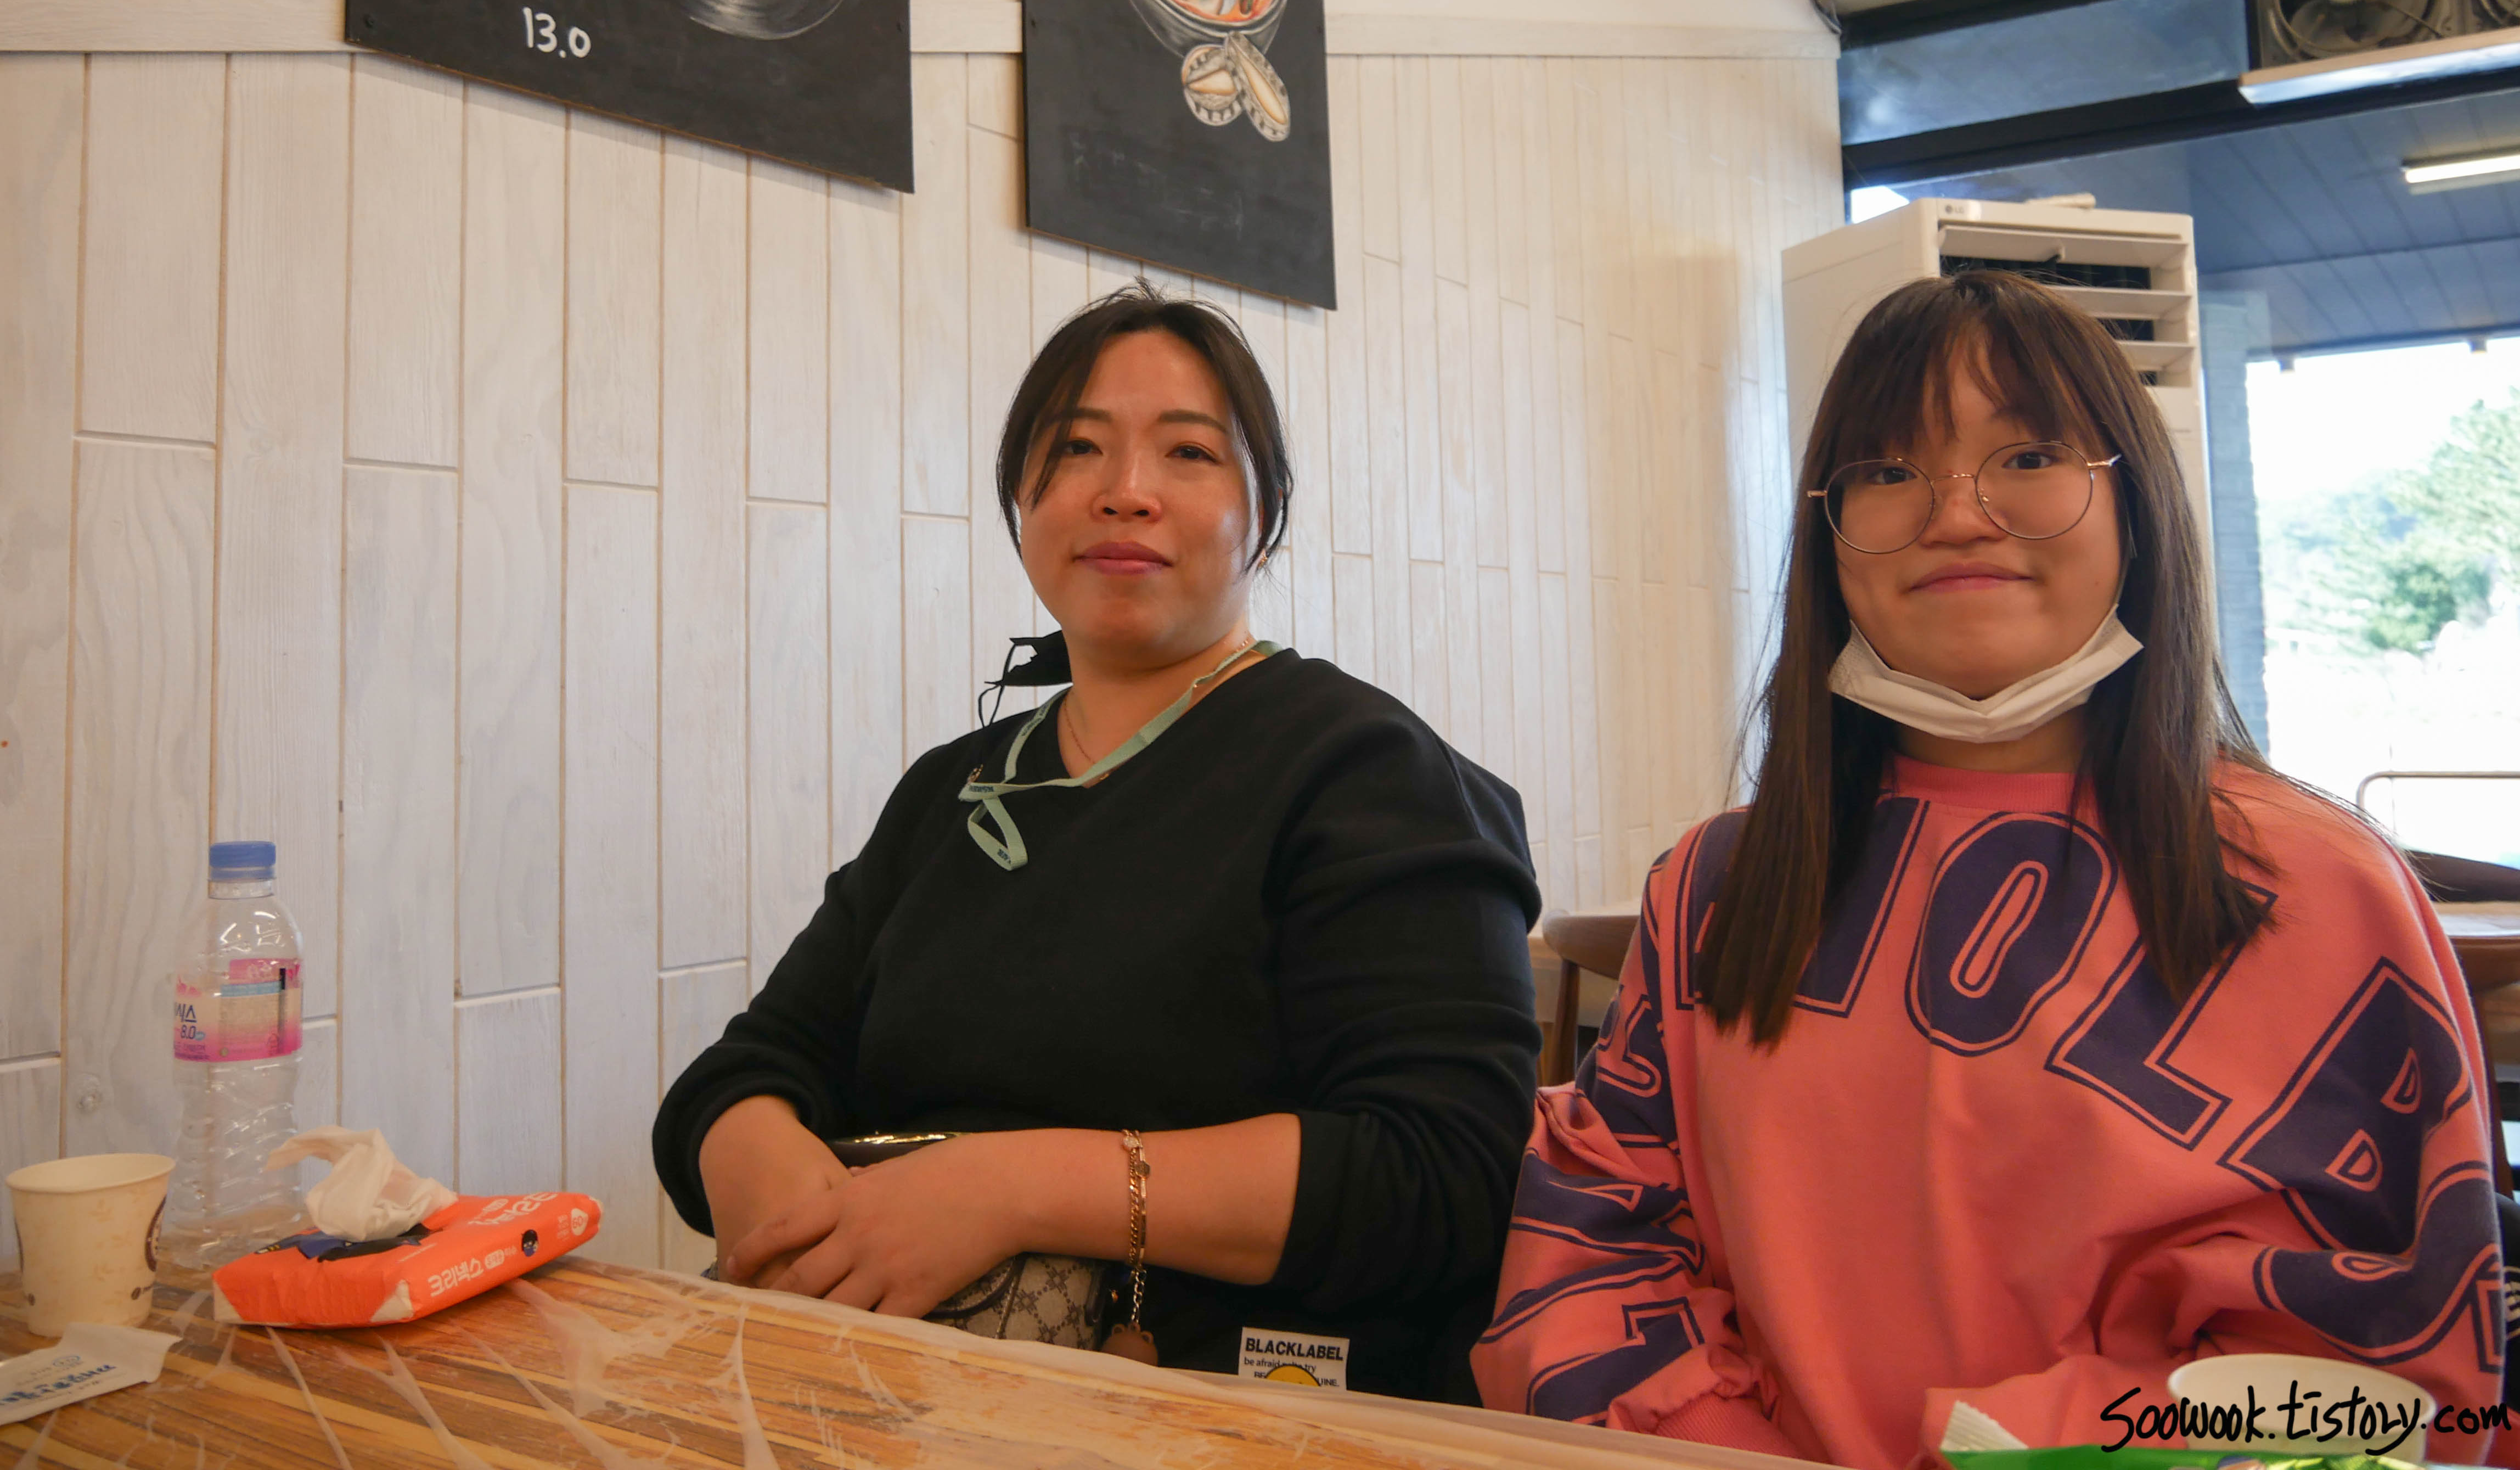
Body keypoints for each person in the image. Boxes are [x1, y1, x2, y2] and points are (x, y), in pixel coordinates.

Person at [1473, 270, 2505, 1464]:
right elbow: (1592, 1248)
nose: (1956, 514)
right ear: (1828, 536)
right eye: (1888, 470)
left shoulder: (2320, 889)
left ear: (2135, 503)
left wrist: (1992, 1447)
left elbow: (2389, 1388)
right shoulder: (1714, 885)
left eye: (2027, 457)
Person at [655, 282, 1542, 1400]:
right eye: (1076, 448)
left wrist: (1005, 1190)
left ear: (1265, 510)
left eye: (1189, 452)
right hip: (870, 1384)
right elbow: (747, 1068)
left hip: (1219, 1406)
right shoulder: (953, 790)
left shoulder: (1368, 771)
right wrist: (778, 1195)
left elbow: (1444, 1172)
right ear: (1021, 499)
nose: (1125, 491)